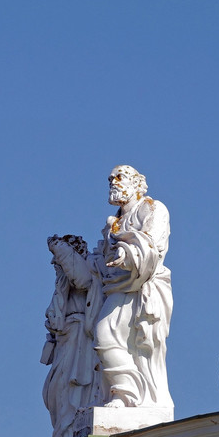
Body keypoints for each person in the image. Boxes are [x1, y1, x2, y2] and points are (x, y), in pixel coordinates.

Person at [49, 166, 173, 410]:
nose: (113, 182)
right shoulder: (113, 224)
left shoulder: (152, 208)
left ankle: (127, 396)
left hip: (139, 286)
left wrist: (127, 254)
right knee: (106, 338)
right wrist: (65, 256)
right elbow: (93, 270)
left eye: (120, 177)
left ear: (137, 183)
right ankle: (121, 394)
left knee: (106, 336)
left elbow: (153, 245)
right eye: (110, 179)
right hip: (114, 287)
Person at [42, 234, 104, 437]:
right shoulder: (62, 283)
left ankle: (67, 435)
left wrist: (58, 247)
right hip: (65, 340)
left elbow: (82, 279)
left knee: (71, 389)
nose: (53, 263)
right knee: (55, 392)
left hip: (79, 341)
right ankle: (61, 436)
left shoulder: (85, 272)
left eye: (56, 258)